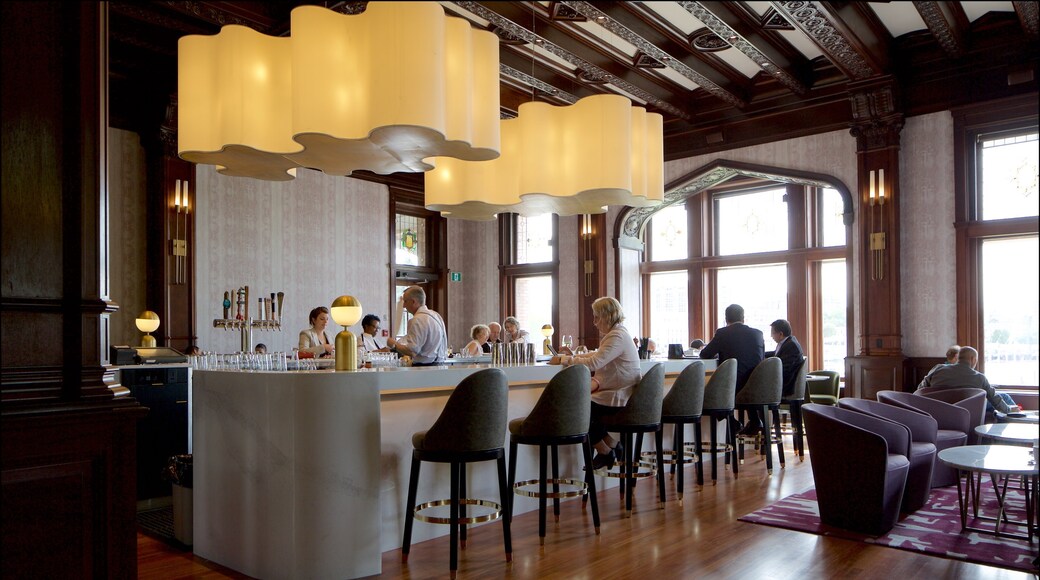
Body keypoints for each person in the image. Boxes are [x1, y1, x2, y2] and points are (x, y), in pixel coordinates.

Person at [550, 296, 641, 470]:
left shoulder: (617, 336)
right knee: (586, 408)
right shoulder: (619, 333)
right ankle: (612, 445)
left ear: (607, 316)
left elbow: (594, 363)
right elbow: (596, 355)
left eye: (597, 317)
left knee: (579, 408)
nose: (594, 322)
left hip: (620, 395)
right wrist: (569, 357)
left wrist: (565, 360)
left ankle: (605, 451)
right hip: (623, 392)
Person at [700, 304, 765, 435]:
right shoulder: (758, 333)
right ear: (743, 318)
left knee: (709, 393)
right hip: (756, 385)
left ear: (726, 319)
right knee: (742, 377)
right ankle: (754, 420)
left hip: (734, 386)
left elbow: (705, 354)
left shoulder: (723, 333)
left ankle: (732, 422)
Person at [741, 319, 804, 436]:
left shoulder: (791, 346)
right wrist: (759, 354)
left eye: (773, 333)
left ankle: (758, 425)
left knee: (753, 391)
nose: (771, 336)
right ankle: (758, 425)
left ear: (780, 334)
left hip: (785, 387)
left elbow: (784, 370)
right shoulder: (788, 343)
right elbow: (775, 355)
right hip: (785, 384)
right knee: (754, 389)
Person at [916, 346, 1018, 414]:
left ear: (958, 358)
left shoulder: (938, 368)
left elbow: (920, 389)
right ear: (973, 359)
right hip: (966, 412)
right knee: (1004, 397)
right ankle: (1016, 419)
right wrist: (1008, 410)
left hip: (939, 410)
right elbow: (994, 399)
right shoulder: (979, 377)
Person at [387, 285, 447, 366]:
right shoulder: (436, 316)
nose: (404, 306)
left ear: (413, 302)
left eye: (405, 301)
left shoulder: (417, 320)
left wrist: (394, 344)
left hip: (423, 367)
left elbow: (412, 351)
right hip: (440, 365)